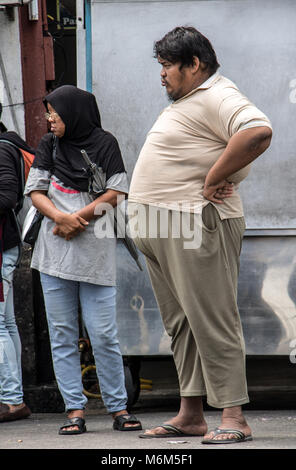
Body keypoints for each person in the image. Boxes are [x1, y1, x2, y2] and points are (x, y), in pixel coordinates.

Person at [128, 26, 272, 444]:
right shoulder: (189, 100)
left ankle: (233, 417)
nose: (162, 74)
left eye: (168, 65)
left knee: (212, 319)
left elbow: (257, 131)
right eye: (160, 65)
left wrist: (214, 177)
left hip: (196, 223)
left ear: (195, 65)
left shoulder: (218, 94)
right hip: (162, 229)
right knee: (182, 326)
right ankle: (191, 414)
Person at [24, 85, 142, 435]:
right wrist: (60, 219)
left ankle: (118, 407)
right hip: (54, 252)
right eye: (48, 113)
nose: (49, 120)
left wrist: (80, 220)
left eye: (54, 114)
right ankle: (74, 409)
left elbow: (117, 191)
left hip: (94, 253)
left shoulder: (106, 143)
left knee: (103, 334)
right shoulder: (49, 145)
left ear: (73, 114)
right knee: (62, 334)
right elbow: (35, 191)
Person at [0, 103, 32, 422]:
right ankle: (14, 397)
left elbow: (7, 197)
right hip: (6, 245)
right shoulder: (8, 146)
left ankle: (11, 400)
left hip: (1, 247)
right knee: (6, 323)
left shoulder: (0, 150)